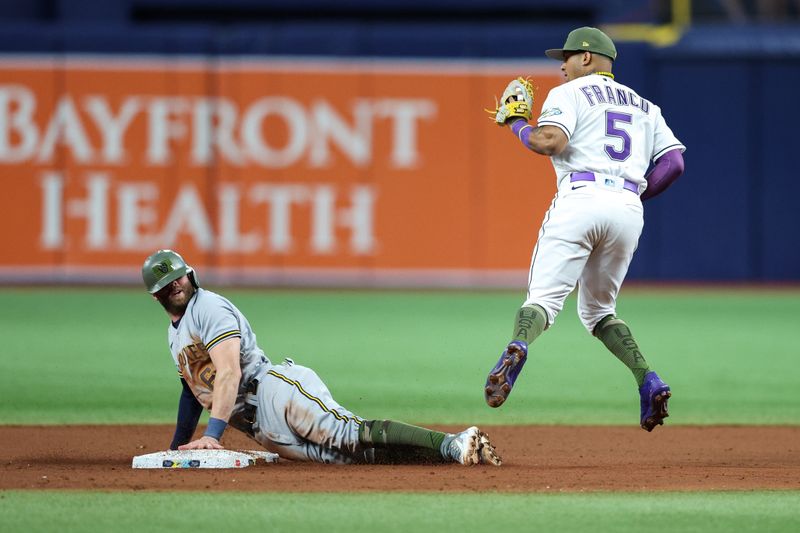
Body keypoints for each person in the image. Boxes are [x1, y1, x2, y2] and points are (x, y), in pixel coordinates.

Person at [485, 27, 685, 431]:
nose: (561, 65)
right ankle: (647, 379)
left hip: (581, 197)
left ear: (588, 58)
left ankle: (519, 345)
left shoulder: (569, 94)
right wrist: (632, 198)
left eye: (568, 56)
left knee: (542, 299)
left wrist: (517, 124)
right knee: (598, 311)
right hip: (628, 209)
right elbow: (674, 163)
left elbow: (550, 142)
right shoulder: (648, 107)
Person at [141, 249, 501, 465]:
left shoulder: (209, 307)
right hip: (261, 427)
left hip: (273, 392)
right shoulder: (175, 336)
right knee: (353, 458)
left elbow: (229, 372)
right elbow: (192, 393)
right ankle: (455, 453)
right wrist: (177, 449)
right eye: (167, 285)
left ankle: (451, 443)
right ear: (156, 296)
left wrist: (214, 435)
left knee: (348, 433)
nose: (177, 286)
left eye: (179, 278)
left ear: (190, 275)